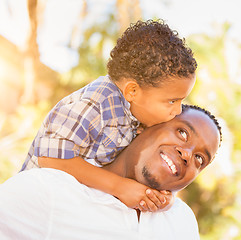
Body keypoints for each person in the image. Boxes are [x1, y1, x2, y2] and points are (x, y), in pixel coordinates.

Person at [20, 19, 198, 211]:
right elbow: (50, 158)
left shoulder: (141, 116)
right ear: (132, 91)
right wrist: (119, 187)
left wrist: (165, 194)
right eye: (172, 101)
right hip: (34, 207)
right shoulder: (96, 103)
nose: (179, 110)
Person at [0, 105, 222, 240]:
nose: (187, 154)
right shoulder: (50, 190)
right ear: (144, 126)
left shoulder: (182, 221)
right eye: (182, 133)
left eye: (200, 159)